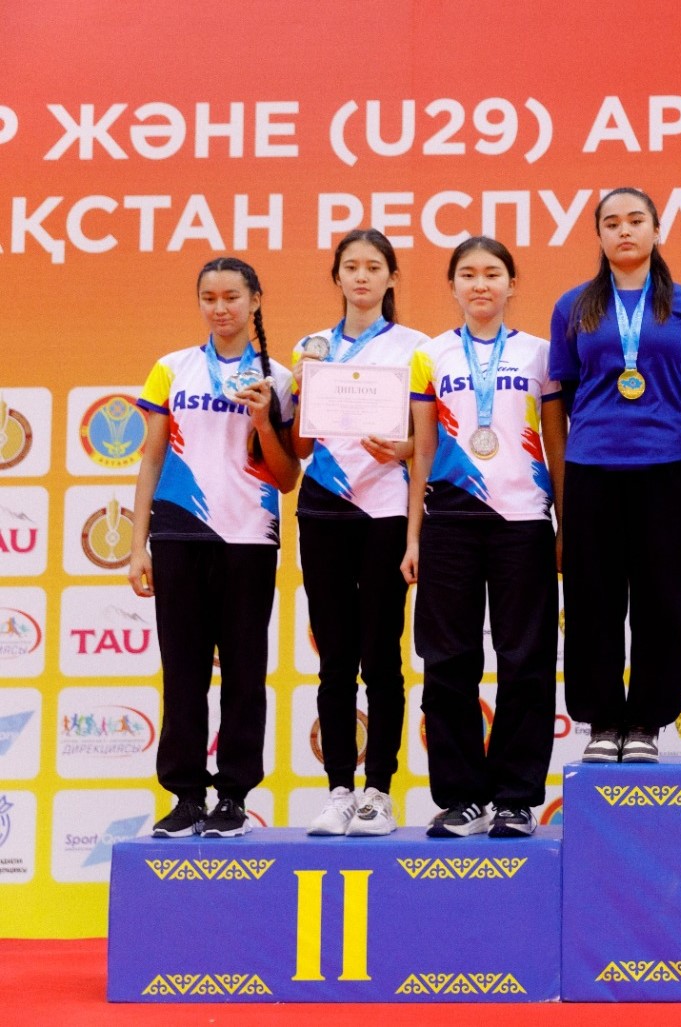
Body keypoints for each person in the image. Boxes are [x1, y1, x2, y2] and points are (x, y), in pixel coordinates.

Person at [130, 257, 299, 838]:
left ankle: (233, 796)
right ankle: (185, 797)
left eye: (232, 297)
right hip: (178, 534)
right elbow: (152, 457)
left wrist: (264, 422)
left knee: (245, 674)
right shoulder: (170, 369)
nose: (220, 308)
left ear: (255, 301)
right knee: (183, 672)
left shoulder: (279, 378)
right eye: (209, 298)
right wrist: (138, 545)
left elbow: (287, 477)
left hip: (249, 537)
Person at [401, 236, 562, 838]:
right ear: (452, 286)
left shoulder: (540, 354)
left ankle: (517, 797)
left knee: (526, 661)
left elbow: (556, 443)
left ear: (512, 284)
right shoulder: (430, 355)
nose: (480, 284)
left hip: (524, 521)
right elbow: (422, 451)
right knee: (448, 662)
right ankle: (463, 796)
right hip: (449, 521)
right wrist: (414, 536)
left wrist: (564, 523)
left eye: (492, 273)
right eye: (467, 274)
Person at [550, 188, 681, 765]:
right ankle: (601, 720)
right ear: (598, 235)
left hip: (665, 466)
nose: (624, 231)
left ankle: (646, 720)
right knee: (592, 598)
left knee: (660, 597)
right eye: (612, 223)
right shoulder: (573, 306)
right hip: (592, 466)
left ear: (656, 230)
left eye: (636, 220)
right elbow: (570, 388)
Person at [290, 229, 428, 837]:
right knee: (335, 659)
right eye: (352, 266)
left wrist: (404, 449)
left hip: (386, 508)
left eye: (374, 267)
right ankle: (339, 789)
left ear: (392, 277)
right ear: (337, 277)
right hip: (323, 507)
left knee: (381, 657)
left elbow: (429, 439)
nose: (363, 276)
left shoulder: (417, 348)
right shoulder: (311, 346)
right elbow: (299, 447)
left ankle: (379, 792)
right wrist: (303, 384)